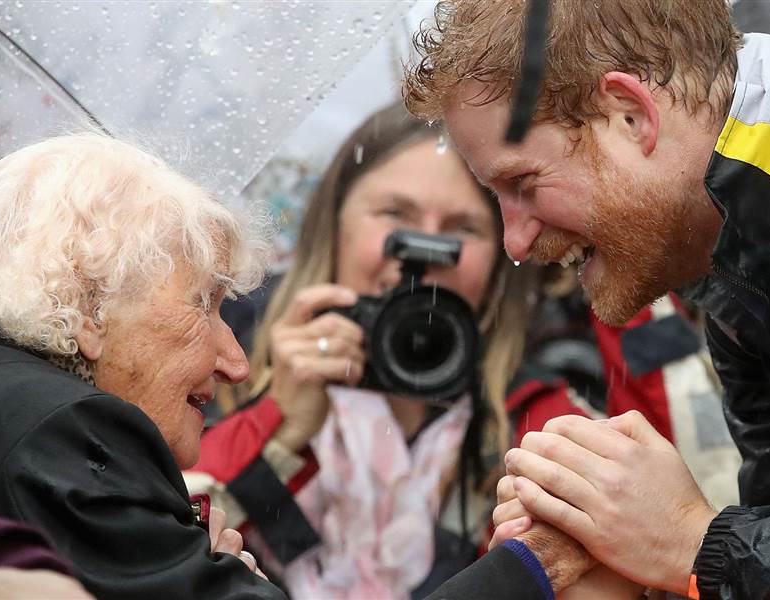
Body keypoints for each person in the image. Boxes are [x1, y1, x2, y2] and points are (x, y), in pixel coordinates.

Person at [401, 0, 770, 598]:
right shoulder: (723, 228)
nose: (515, 240)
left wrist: (692, 544)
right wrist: (622, 558)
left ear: (631, 115)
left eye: (522, 184)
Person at [186, 102, 629, 599]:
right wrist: (276, 430)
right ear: (333, 227)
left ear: (502, 256)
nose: (423, 248)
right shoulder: (217, 377)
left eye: (463, 226)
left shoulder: (540, 429)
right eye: (395, 214)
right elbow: (157, 541)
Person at [0, 133, 285, 599]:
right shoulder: (65, 426)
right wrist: (228, 577)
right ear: (88, 305)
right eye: (203, 304)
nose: (236, 363)